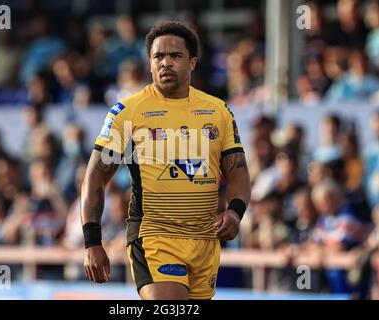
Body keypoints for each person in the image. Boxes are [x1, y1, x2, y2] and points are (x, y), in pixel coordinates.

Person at [80, 21, 251, 300]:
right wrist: (92, 242)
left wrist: (235, 211)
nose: (165, 63)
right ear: (149, 64)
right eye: (158, 57)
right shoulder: (127, 113)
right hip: (154, 238)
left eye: (175, 56)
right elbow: (96, 177)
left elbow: (239, 172)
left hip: (205, 241)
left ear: (193, 62)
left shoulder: (217, 111)